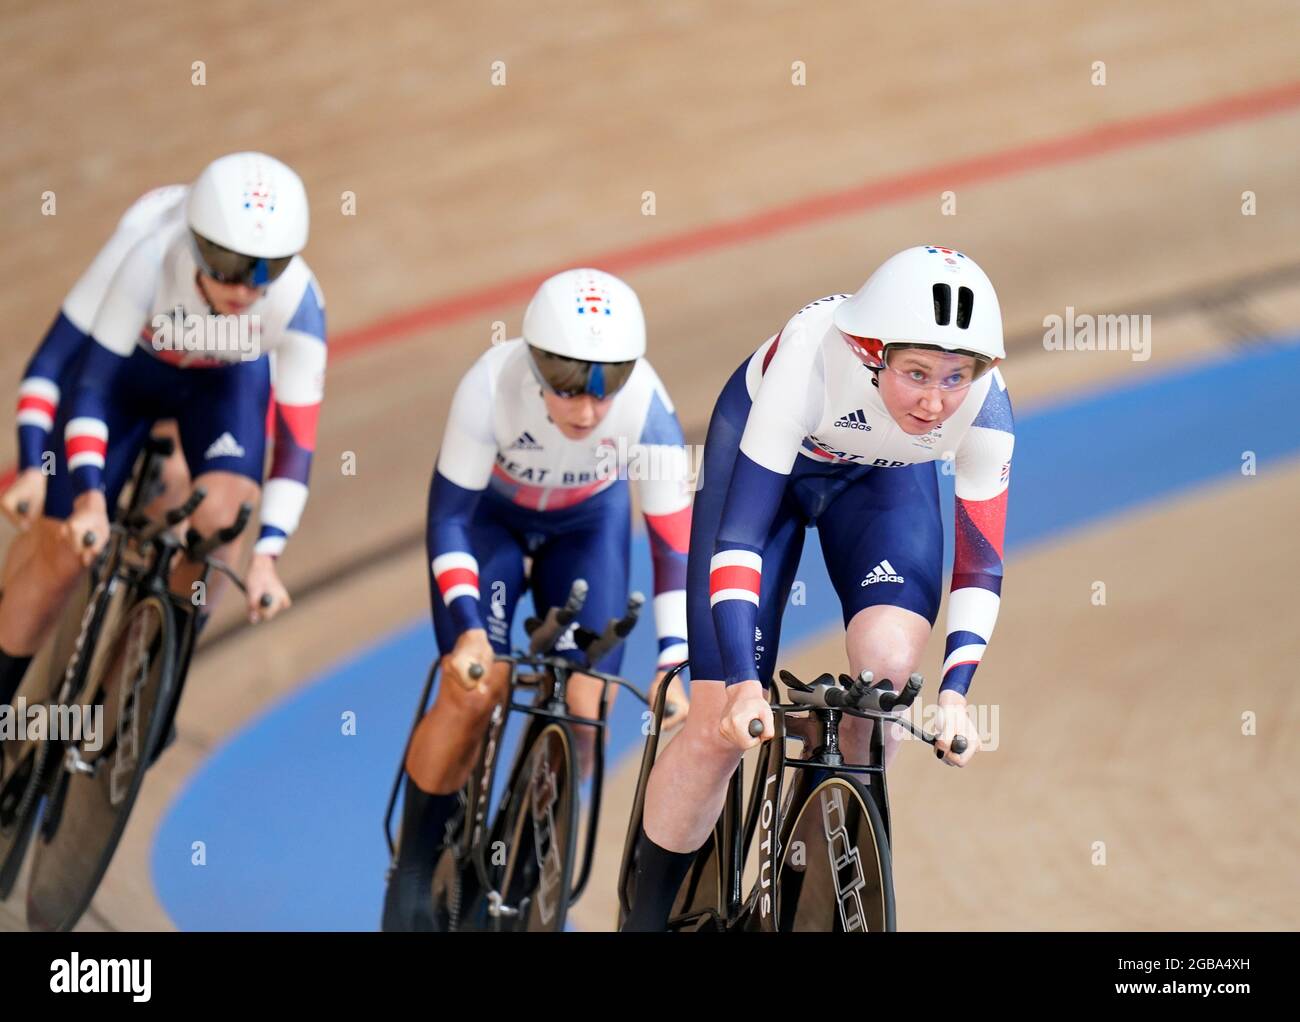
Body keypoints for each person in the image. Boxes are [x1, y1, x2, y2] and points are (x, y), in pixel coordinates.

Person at [621, 245, 1016, 931]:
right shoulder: (811, 360)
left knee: (888, 674)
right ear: (871, 354)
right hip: (767, 469)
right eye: (916, 373)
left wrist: (955, 694)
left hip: (882, 481)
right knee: (718, 727)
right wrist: (744, 682)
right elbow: (740, 537)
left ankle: (805, 882)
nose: (933, 401)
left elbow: (979, 566)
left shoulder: (983, 408)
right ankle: (645, 922)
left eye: (955, 377)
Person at [382, 267, 694, 931]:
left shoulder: (649, 409)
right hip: (490, 522)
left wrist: (673, 658)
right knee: (476, 688)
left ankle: (523, 865)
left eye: (602, 392)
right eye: (568, 389)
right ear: (535, 366)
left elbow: (674, 547)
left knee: (588, 708)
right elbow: (448, 522)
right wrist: (468, 628)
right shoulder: (489, 387)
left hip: (586, 526)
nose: (586, 411)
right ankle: (412, 871)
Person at [0, 151, 326, 752]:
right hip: (125, 377)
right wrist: (83, 496)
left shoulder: (299, 304)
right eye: (228, 265)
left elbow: (296, 449)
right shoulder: (147, 256)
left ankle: (152, 681)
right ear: (196, 244)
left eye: (266, 269)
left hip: (220, 384)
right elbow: (79, 381)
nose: (245, 287)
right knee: (63, 556)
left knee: (225, 519)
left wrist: (267, 559)